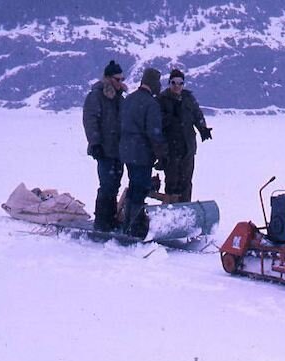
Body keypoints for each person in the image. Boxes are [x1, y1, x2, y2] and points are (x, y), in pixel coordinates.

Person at [119, 68, 167, 237]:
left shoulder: (128, 100)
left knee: (133, 186)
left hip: (126, 151)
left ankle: (127, 224)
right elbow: (154, 133)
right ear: (153, 83)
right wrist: (161, 155)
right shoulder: (151, 104)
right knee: (140, 188)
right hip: (142, 153)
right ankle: (135, 228)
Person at [82, 60, 128, 231]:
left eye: (122, 79)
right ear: (108, 79)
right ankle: (102, 222)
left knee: (114, 184)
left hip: (118, 150)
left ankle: (111, 218)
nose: (120, 82)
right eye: (117, 79)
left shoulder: (120, 99)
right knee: (107, 185)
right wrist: (95, 143)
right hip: (104, 149)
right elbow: (90, 120)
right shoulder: (96, 96)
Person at [158, 68, 212, 203]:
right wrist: (170, 118)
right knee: (172, 183)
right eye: (173, 83)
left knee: (186, 182)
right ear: (169, 83)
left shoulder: (188, 98)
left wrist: (203, 129)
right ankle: (171, 211)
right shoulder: (162, 100)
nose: (177, 86)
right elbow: (157, 123)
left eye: (180, 83)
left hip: (188, 148)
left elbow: (197, 115)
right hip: (171, 150)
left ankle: (186, 208)